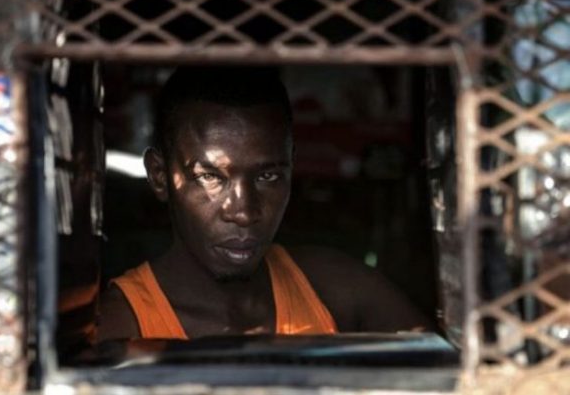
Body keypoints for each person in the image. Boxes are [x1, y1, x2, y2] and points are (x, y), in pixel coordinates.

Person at [98, 67, 431, 341]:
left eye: (268, 177)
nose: (243, 212)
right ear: (160, 176)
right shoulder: (123, 326)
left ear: (291, 167)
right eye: (211, 177)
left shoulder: (335, 289)